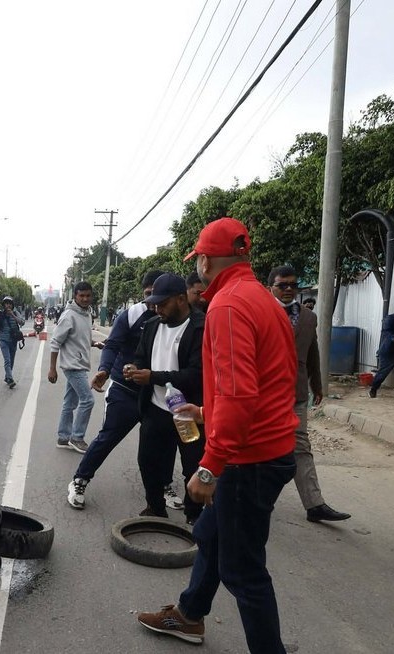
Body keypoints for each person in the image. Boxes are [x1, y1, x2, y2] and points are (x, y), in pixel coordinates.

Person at [137, 217, 297, 652]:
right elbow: (263, 384)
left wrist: (210, 466)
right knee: (209, 535)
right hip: (268, 445)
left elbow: (239, 394)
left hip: (250, 457)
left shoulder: (226, 306)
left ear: (205, 260)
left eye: (198, 259)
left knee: (243, 571)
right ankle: (189, 615)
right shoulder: (262, 299)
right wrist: (206, 413)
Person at [66, 270, 163, 510]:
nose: (153, 301)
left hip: (156, 392)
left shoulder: (173, 318)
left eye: (158, 295)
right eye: (148, 294)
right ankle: (79, 480)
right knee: (108, 437)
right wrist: (104, 370)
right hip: (124, 389)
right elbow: (112, 345)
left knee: (160, 444)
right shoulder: (131, 315)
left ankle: (165, 485)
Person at [267, 265, 351, 523]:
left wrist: (317, 384)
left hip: (295, 391)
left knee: (300, 446)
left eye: (293, 285)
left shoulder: (308, 317)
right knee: (258, 446)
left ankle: (314, 504)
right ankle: (245, 498)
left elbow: (312, 350)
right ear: (271, 287)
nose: (289, 289)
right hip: (263, 394)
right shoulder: (260, 311)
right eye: (282, 285)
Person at [123, 273, 206, 524]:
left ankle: (194, 514)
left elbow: (196, 374)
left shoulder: (201, 327)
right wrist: (134, 369)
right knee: (148, 461)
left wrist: (153, 377)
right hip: (156, 408)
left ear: (181, 299)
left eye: (163, 303)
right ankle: (155, 507)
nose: (157, 309)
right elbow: (141, 358)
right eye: (154, 303)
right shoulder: (151, 326)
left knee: (192, 465)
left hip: (188, 411)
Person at [48, 282, 95, 453]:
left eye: (88, 295)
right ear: (75, 296)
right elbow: (55, 342)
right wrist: (52, 368)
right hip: (73, 366)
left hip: (79, 364)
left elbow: (79, 337)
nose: (85, 299)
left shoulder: (86, 314)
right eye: (81, 295)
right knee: (88, 400)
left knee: (70, 402)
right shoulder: (69, 315)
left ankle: (63, 437)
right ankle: (77, 437)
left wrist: (94, 343)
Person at [0, 296, 25, 388]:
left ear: (12, 305)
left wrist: (13, 315)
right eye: (6, 304)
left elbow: (22, 322)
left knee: (11, 360)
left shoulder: (16, 313)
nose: (8, 305)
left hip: (13, 340)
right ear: (4, 305)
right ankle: (10, 379)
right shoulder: (0, 314)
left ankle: (7, 377)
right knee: (7, 360)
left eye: (10, 304)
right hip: (3, 340)